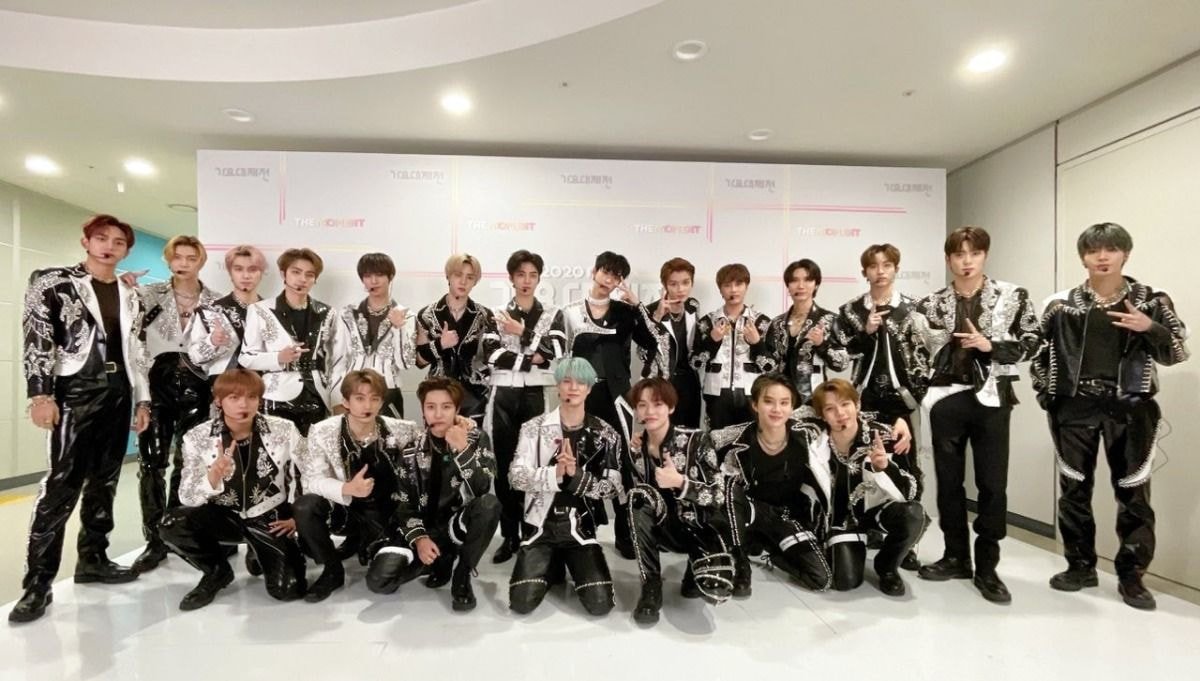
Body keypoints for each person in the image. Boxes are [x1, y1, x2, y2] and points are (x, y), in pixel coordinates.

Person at [1032, 223, 1189, 611]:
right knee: (1074, 489)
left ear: (1125, 254)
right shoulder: (1061, 304)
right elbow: (1036, 352)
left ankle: (1132, 576)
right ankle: (1080, 566)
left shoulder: (1151, 300)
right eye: (1093, 250)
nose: (1102, 257)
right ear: (1082, 257)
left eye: (1111, 249)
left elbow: (1177, 353)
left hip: (1130, 406)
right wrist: (1048, 395)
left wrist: (1150, 328)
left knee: (1133, 493)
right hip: (1074, 407)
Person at [10, 214, 151, 624]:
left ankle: (93, 559)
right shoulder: (53, 283)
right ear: (86, 241)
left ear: (126, 250)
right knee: (61, 484)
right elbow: (37, 340)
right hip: (74, 390)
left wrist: (142, 401)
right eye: (101, 238)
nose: (109, 246)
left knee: (105, 481)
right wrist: (40, 395)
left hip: (119, 391)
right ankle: (38, 584)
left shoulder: (131, 293)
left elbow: (138, 350)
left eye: (119, 242)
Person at [914, 226, 1040, 605]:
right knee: (949, 483)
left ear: (985, 255)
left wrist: (993, 346)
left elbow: (1034, 341)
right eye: (959, 254)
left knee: (992, 484)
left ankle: (987, 566)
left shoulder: (1012, 296)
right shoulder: (930, 304)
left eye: (974, 253)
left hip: (993, 399)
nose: (966, 261)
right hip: (946, 399)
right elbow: (914, 352)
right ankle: (955, 556)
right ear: (948, 259)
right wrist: (924, 390)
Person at [159, 368, 308, 610]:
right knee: (172, 524)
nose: (244, 405)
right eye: (234, 397)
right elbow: (187, 496)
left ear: (260, 400)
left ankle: (259, 550)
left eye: (251, 397)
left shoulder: (283, 428)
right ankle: (216, 571)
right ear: (219, 401)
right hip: (222, 515)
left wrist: (297, 516)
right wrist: (212, 476)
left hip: (269, 516)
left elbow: (309, 470)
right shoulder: (197, 437)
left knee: (289, 590)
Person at [562, 250, 668, 559]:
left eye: (616, 276)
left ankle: (626, 534)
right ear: (594, 271)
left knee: (621, 463)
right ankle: (582, 532)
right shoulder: (569, 312)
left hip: (618, 397)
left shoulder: (625, 312)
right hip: (581, 396)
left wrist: (639, 306)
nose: (609, 279)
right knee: (580, 461)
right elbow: (560, 355)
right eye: (605, 272)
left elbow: (654, 341)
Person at [834, 243, 932, 570]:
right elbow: (839, 355)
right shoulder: (851, 311)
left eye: (886, 265)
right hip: (864, 400)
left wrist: (911, 405)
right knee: (862, 463)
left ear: (896, 269)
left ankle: (907, 540)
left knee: (906, 465)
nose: (880, 271)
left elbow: (925, 359)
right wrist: (866, 332)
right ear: (864, 271)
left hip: (903, 402)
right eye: (874, 266)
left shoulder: (914, 309)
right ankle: (869, 526)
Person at [131, 235, 222, 573]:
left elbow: (222, 352)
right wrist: (140, 399)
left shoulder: (216, 301)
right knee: (151, 463)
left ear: (201, 261)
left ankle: (175, 531)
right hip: (157, 387)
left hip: (199, 388)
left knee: (189, 464)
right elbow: (133, 343)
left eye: (191, 257)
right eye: (177, 256)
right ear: (168, 260)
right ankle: (153, 540)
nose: (183, 263)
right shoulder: (146, 295)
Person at [369, 377, 501, 611]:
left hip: (456, 525)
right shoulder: (411, 448)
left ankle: (462, 574)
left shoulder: (476, 439)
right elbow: (404, 504)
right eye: (431, 407)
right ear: (423, 410)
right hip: (423, 527)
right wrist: (419, 539)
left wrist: (462, 449)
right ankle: (440, 559)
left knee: (489, 504)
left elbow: (482, 488)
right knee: (380, 581)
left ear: (457, 410)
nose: (438, 414)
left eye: (446, 407)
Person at [293, 369, 424, 602]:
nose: (368, 406)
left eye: (374, 399)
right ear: (346, 401)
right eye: (360, 398)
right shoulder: (323, 431)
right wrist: (346, 489)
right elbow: (310, 480)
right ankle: (332, 571)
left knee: (382, 581)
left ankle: (389, 550)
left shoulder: (404, 429)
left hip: (386, 515)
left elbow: (433, 439)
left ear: (382, 402)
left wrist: (463, 424)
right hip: (344, 511)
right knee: (305, 506)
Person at [508, 358, 625, 616]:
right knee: (521, 603)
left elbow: (612, 487)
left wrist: (575, 476)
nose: (573, 387)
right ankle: (552, 563)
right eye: (566, 381)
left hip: (580, 528)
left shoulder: (606, 434)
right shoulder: (533, 428)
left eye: (580, 382)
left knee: (600, 604)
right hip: (540, 526)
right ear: (557, 386)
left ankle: (567, 560)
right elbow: (516, 477)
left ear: (589, 388)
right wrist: (554, 474)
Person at [623, 378, 733, 625]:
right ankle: (651, 585)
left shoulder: (697, 440)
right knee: (637, 497)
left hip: (701, 528)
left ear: (671, 407)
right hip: (667, 526)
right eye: (642, 405)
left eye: (658, 404)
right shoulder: (636, 448)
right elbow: (643, 504)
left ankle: (694, 569)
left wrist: (681, 483)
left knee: (714, 587)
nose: (650, 411)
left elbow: (719, 495)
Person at [482, 250, 566, 564]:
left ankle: (533, 531)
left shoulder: (552, 313)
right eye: (521, 274)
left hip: (536, 396)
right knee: (504, 466)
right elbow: (491, 355)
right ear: (511, 278)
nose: (526, 281)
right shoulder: (497, 313)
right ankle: (509, 535)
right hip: (502, 395)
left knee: (535, 463)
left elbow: (556, 350)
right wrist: (532, 358)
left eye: (532, 275)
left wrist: (521, 334)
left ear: (539, 278)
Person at [718, 374, 831, 597]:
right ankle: (740, 561)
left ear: (792, 406)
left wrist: (900, 422)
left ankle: (770, 549)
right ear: (755, 404)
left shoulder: (807, 435)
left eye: (784, 403)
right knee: (729, 485)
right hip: (750, 511)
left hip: (785, 516)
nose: (777, 409)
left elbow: (848, 413)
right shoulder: (736, 438)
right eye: (769, 401)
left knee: (821, 579)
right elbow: (700, 443)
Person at [813, 379, 923, 596]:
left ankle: (887, 567)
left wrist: (884, 467)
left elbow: (910, 491)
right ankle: (852, 545)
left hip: (877, 510)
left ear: (857, 405)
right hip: (842, 520)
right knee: (845, 582)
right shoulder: (815, 440)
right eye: (830, 409)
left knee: (913, 514)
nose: (840, 413)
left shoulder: (885, 436)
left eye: (845, 404)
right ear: (822, 415)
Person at [239, 248, 337, 436]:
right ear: (283, 274)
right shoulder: (260, 310)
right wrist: (278, 358)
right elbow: (246, 357)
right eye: (296, 272)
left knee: (314, 449)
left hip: (316, 393)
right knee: (278, 449)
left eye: (309, 275)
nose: (302, 279)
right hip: (276, 394)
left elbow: (334, 358)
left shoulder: (327, 312)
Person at [329, 252, 414, 419]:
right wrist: (336, 400)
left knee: (389, 436)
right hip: (353, 392)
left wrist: (399, 328)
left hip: (389, 391)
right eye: (368, 276)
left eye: (380, 275)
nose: (373, 281)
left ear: (390, 277)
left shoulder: (406, 315)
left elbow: (404, 363)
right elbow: (338, 360)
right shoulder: (347, 314)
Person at [414, 253, 497, 421]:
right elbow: (419, 361)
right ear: (448, 276)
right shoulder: (427, 314)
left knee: (472, 437)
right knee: (438, 436)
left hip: (475, 395)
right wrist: (440, 344)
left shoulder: (484, 315)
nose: (463, 281)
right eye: (458, 275)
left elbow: (492, 357)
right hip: (438, 393)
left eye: (470, 277)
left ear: (475, 281)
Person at [694, 263, 774, 429]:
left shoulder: (762, 322)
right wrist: (712, 341)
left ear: (746, 286)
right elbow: (695, 363)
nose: (733, 290)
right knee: (717, 439)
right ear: (720, 289)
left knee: (749, 440)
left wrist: (757, 344)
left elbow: (771, 367)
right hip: (716, 395)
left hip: (751, 394)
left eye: (738, 284)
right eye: (727, 285)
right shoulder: (707, 322)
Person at [765, 259, 848, 405]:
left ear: (816, 284)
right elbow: (769, 365)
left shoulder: (830, 320)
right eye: (794, 280)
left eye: (807, 280)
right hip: (781, 399)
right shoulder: (777, 323)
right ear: (788, 286)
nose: (801, 286)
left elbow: (842, 364)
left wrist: (822, 344)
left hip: (815, 396)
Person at [188, 245, 268, 382]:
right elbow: (194, 357)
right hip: (224, 387)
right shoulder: (210, 311)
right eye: (238, 269)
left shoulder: (273, 312)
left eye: (252, 269)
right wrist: (212, 342)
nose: (246, 276)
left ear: (261, 273)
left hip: (265, 386)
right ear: (230, 272)